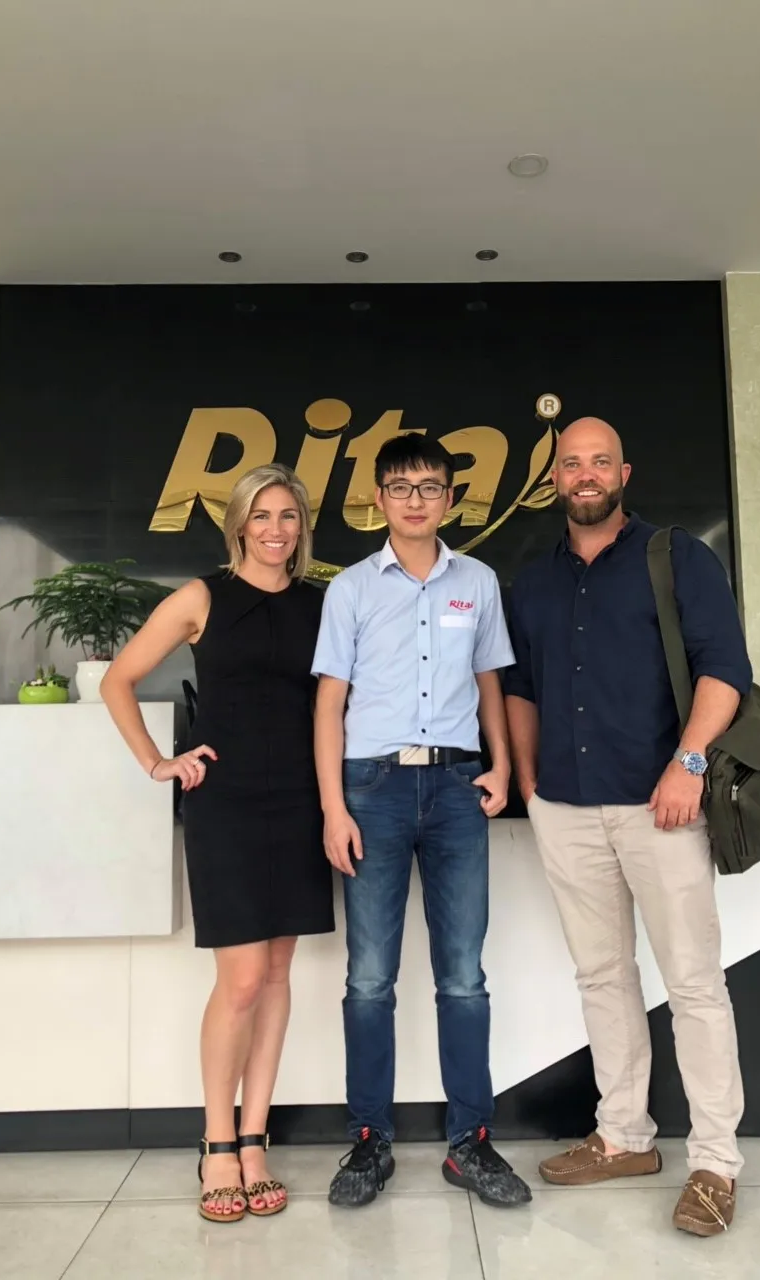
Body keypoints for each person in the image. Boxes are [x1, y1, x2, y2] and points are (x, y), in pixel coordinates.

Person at [505, 417, 752, 1238]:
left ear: (623, 473)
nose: (585, 474)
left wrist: (688, 763)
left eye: (599, 462)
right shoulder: (533, 581)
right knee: (602, 977)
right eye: (571, 463)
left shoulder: (677, 557)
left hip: (661, 804)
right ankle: (623, 1137)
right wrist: (530, 778)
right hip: (566, 807)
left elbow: (726, 669)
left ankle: (715, 1163)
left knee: (693, 984)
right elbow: (520, 686)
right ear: (554, 479)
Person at [101, 463, 335, 1224]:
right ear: (238, 524)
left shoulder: (321, 605)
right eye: (262, 516)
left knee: (277, 974)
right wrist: (158, 762)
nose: (276, 530)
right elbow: (117, 680)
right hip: (227, 805)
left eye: (288, 516)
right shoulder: (202, 598)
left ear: (302, 527)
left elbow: (336, 705)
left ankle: (255, 1140)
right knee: (240, 982)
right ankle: (217, 1144)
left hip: (299, 801)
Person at [312, 433, 532, 1210]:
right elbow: (329, 704)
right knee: (370, 978)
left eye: (430, 486)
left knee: (463, 977)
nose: (415, 499)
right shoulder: (350, 589)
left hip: (455, 790)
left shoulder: (478, 581)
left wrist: (500, 766)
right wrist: (333, 806)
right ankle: (369, 1141)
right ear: (379, 498)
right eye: (401, 487)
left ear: (450, 499)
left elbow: (491, 680)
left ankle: (470, 1142)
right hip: (370, 789)